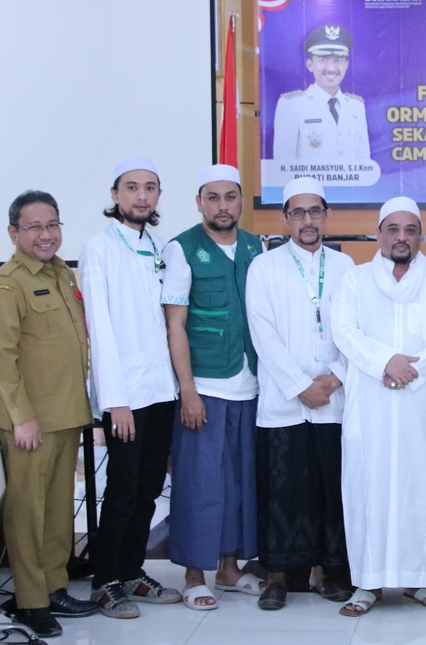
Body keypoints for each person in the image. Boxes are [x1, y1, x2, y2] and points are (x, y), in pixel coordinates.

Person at [332, 197, 426, 616]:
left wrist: (412, 370)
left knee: (423, 491)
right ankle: (367, 584)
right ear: (379, 234)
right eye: (393, 229)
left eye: (410, 229)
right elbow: (344, 331)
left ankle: (422, 581)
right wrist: (385, 363)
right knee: (367, 491)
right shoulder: (355, 280)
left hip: (421, 406)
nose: (401, 237)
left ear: (420, 236)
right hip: (370, 405)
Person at [245, 176, 354, 611]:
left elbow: (355, 330)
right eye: (298, 212)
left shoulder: (345, 267)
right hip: (283, 403)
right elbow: (263, 334)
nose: (307, 220)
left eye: (315, 212)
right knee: (283, 492)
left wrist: (334, 378)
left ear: (326, 216)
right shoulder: (264, 267)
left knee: (330, 489)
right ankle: (277, 578)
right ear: (285, 218)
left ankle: (327, 574)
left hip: (333, 400)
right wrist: (300, 386)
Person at [80, 156, 182, 618]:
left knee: (148, 489)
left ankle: (132, 571)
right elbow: (100, 329)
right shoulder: (100, 248)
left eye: (150, 188)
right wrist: (114, 401)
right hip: (125, 397)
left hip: (160, 391)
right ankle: (105, 582)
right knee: (121, 491)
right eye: (132, 187)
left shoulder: (160, 247)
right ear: (115, 194)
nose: (142, 195)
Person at [161, 164, 264, 610]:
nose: (223, 206)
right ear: (199, 202)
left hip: (248, 383)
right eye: (213, 198)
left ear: (240, 201)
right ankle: (193, 575)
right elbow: (175, 325)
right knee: (201, 484)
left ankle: (229, 568)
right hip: (204, 385)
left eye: (230, 197)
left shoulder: (254, 246)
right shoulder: (182, 249)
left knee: (240, 483)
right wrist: (188, 390)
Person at [0, 192, 98, 637]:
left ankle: (55, 586)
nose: (46, 234)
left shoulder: (61, 273)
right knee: (27, 513)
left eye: (53, 224)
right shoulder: (10, 283)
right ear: (13, 233)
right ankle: (30, 600)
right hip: (29, 422)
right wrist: (21, 416)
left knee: (58, 511)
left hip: (66, 412)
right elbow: (3, 357)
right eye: (35, 226)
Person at [272, 24, 370, 160]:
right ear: (310, 65)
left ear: (346, 65)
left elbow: (363, 163)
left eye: (338, 60)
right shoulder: (291, 105)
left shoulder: (356, 107)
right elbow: (283, 163)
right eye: (323, 60)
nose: (331, 69)